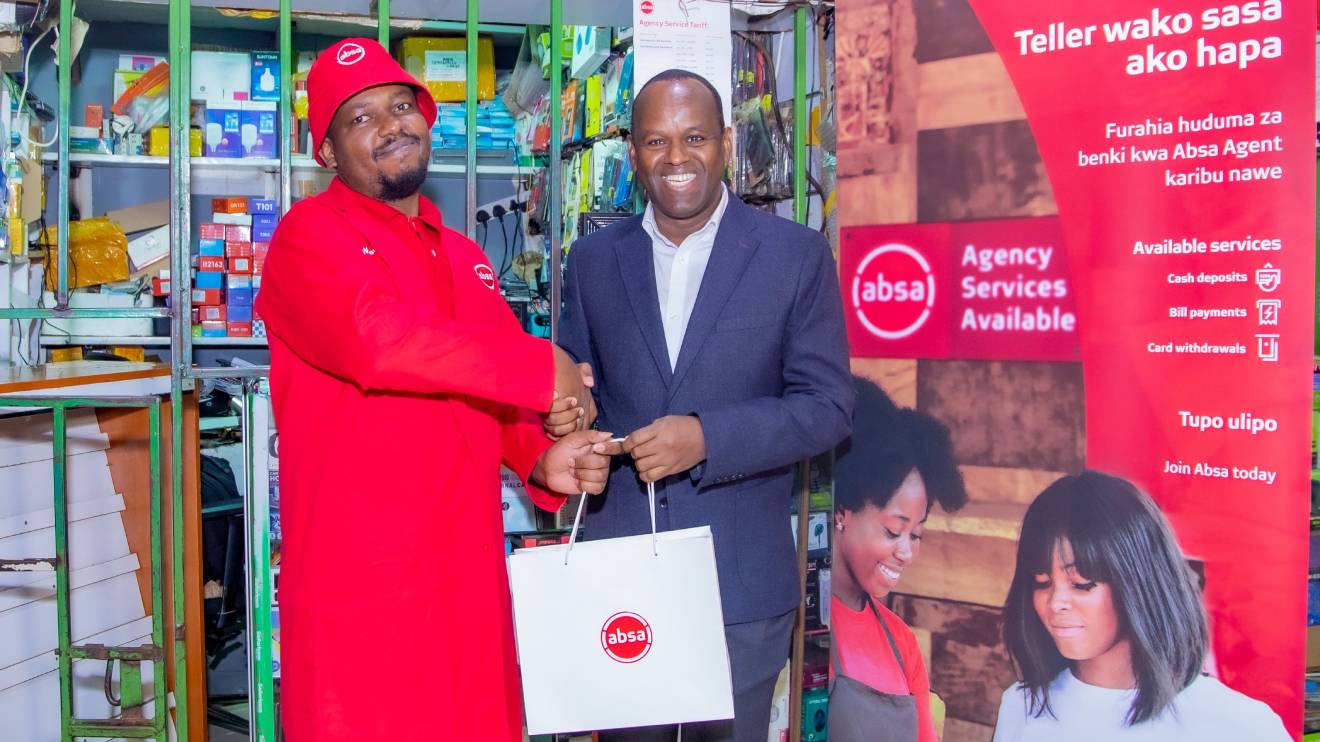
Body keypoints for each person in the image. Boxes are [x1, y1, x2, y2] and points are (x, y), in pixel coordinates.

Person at [255, 38, 610, 742]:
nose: (390, 126)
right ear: (325, 153)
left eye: (398, 106)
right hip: (360, 586)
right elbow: (379, 342)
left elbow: (489, 393)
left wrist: (542, 459)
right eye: (358, 119)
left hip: (465, 578)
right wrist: (547, 367)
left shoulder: (466, 256)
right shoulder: (307, 238)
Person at [552, 68, 855, 742]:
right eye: (656, 141)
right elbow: (577, 385)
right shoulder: (594, 260)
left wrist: (707, 437)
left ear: (725, 142)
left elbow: (829, 406)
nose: (676, 158)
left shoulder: (794, 255)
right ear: (632, 152)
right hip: (624, 570)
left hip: (740, 579)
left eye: (694, 138)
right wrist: (567, 425)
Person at [994, 471, 1290, 741]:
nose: (1056, 602)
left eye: (1082, 583)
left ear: (1138, 581)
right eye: (1041, 581)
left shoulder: (1241, 726)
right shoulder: (1021, 708)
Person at [829, 377, 967, 742]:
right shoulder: (793, 628)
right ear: (842, 510)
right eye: (893, 530)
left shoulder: (901, 642)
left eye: (916, 534)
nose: (906, 552)